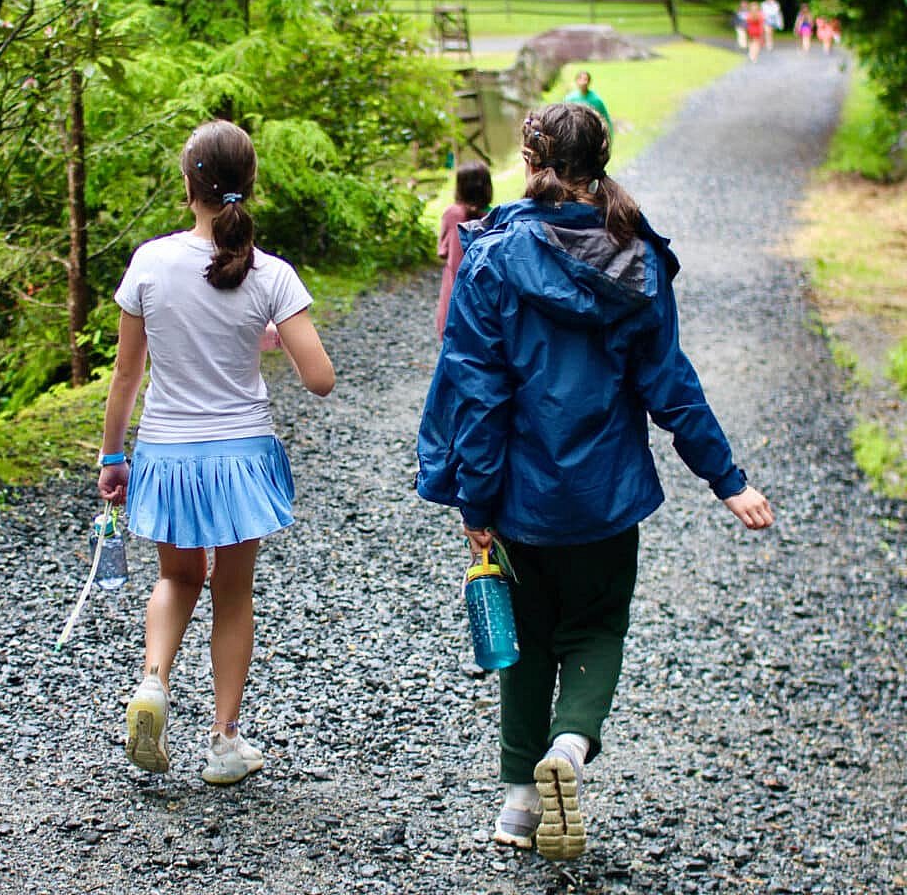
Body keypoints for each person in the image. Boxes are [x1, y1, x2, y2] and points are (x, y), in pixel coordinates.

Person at [416, 103, 774, 863]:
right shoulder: (635, 254)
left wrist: (474, 501)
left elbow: (478, 394)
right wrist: (728, 479)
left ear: (531, 160)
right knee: (596, 629)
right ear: (598, 159)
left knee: (525, 642)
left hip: (518, 497)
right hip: (606, 500)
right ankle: (570, 750)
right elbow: (671, 383)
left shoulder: (491, 257)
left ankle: (518, 804)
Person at [97, 119, 335, 786]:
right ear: (249, 184)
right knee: (232, 592)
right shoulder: (270, 273)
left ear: (188, 183)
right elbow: (320, 379)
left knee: (177, 578)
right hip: (239, 457)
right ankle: (225, 743)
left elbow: (126, 375)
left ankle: (152, 684)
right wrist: (271, 335)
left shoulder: (150, 261)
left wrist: (112, 457)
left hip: (168, 452)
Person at [436, 161, 493, 339]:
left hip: (455, 287)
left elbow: (443, 251)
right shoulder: (494, 216)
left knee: (452, 341)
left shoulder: (453, 214)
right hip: (484, 294)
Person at [564, 70, 612, 135]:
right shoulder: (569, 98)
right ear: (576, 81)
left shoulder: (596, 100)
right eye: (580, 79)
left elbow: (604, 118)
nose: (583, 82)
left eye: (585, 79)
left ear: (589, 82)